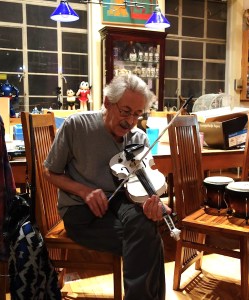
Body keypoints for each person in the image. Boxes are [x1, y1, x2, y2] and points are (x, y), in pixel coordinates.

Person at [43, 74, 169, 300]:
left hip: (123, 205)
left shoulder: (138, 137)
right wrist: (84, 191)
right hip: (80, 210)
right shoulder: (77, 126)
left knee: (147, 230)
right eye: (125, 111)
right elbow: (50, 172)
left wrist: (153, 204)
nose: (130, 121)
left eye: (137, 114)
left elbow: (141, 187)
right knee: (148, 240)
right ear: (107, 103)